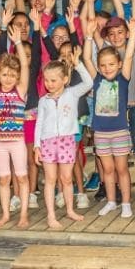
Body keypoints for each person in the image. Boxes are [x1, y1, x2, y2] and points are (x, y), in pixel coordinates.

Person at [83, 15, 135, 218]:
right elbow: (87, 58)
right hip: (101, 133)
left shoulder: (123, 78)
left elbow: (130, 56)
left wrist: (132, 35)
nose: (107, 68)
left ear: (118, 64)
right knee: (107, 170)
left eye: (111, 64)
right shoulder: (97, 78)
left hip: (120, 131)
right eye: (103, 65)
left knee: (122, 169)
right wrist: (89, 36)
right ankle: (112, 201)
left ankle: (126, 203)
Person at [33, 50, 94, 229]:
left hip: (67, 141)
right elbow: (39, 123)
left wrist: (78, 64)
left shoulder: (72, 94)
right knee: (51, 179)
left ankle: (70, 210)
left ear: (65, 79)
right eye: (46, 80)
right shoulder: (43, 100)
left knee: (67, 178)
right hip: (47, 142)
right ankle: (51, 215)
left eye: (53, 80)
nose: (49, 84)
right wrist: (37, 146)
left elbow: (89, 82)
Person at [0, 24, 30, 229]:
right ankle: (5, 214)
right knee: (4, 179)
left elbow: (26, 67)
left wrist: (19, 43)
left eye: (12, 75)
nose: (8, 78)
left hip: (17, 142)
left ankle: (23, 215)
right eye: (4, 74)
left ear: (17, 77)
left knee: (21, 177)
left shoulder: (20, 92)